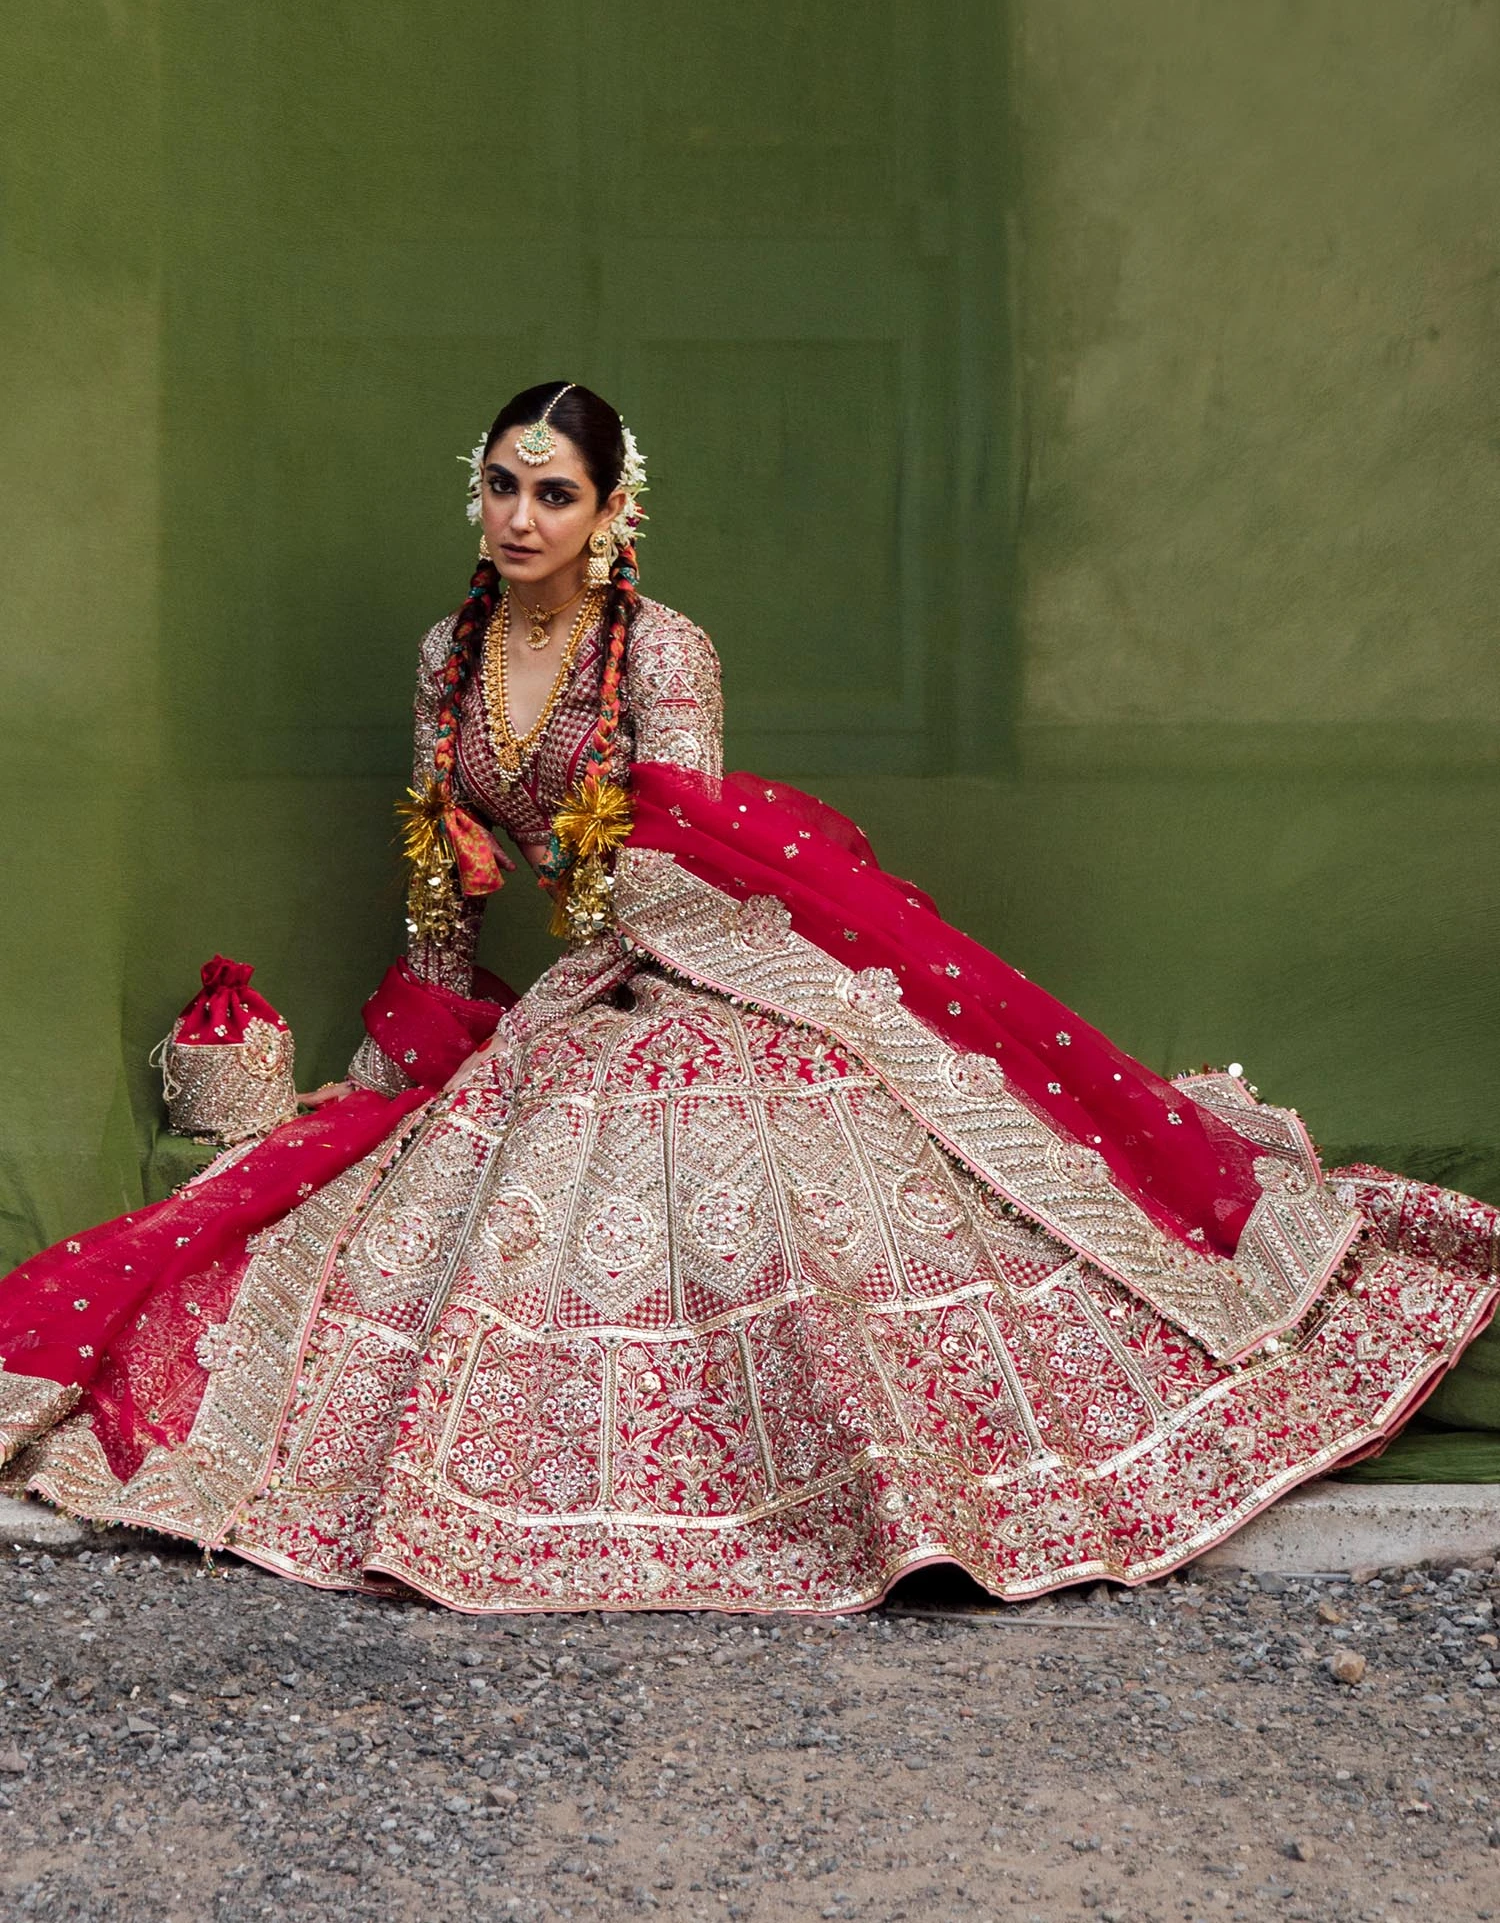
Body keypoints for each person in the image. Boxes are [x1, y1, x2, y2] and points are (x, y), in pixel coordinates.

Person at [0, 381, 1494, 1613]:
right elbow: (438, 867)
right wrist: (421, 1039)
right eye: (502, 490)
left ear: (610, 512)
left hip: (699, 960)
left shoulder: (662, 652)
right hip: (573, 985)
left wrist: (584, 944)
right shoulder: (447, 657)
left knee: (718, 1117)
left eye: (553, 495)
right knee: (483, 1149)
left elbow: (691, 855)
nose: (520, 520)